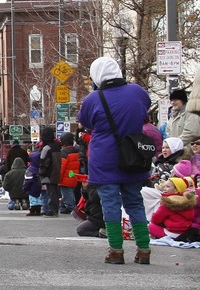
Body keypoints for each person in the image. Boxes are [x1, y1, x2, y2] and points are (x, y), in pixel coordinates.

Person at [77, 56, 153, 265]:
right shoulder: (137, 92)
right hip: (133, 154)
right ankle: (144, 249)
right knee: (135, 202)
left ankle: (116, 250)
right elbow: (145, 107)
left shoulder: (93, 99)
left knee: (109, 203)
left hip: (104, 158)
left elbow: (84, 121)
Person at [38, 126, 61, 217]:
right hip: (57, 171)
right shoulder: (57, 147)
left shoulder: (46, 148)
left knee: (51, 192)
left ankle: (52, 210)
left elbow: (43, 161)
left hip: (49, 173)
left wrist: (41, 172)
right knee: (55, 192)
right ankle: (55, 209)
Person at [58, 132, 81, 214]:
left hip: (65, 178)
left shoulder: (64, 152)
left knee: (68, 196)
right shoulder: (77, 150)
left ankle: (75, 211)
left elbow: (61, 167)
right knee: (71, 194)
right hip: (74, 176)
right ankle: (66, 208)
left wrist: (58, 179)